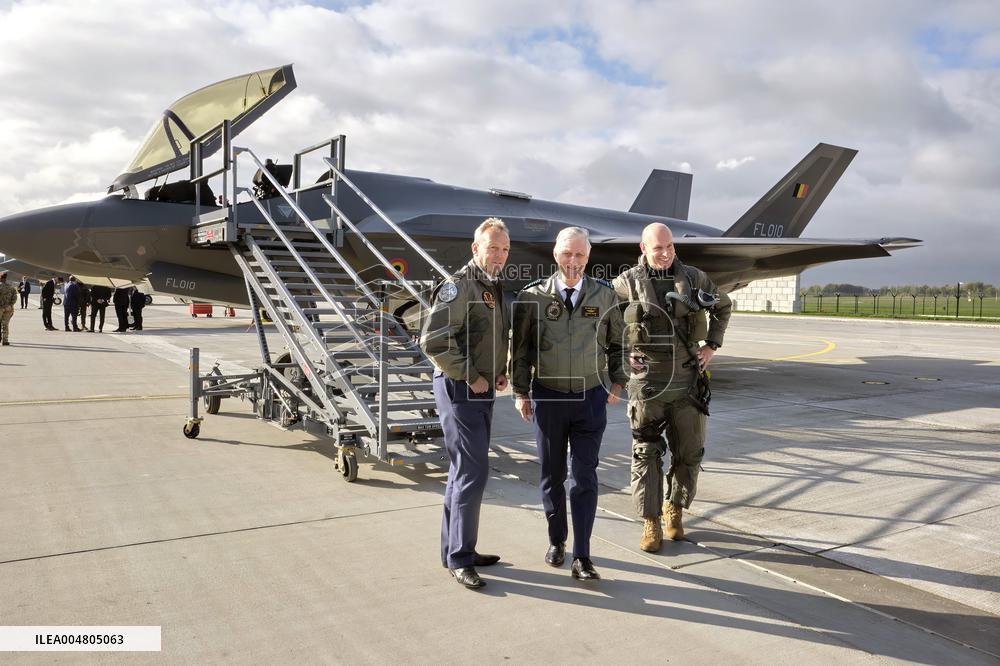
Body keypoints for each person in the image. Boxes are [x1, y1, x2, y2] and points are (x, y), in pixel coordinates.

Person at [511, 227, 627, 581]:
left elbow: (618, 342)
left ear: (588, 257)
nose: (573, 261)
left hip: (590, 397)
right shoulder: (533, 297)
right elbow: (521, 350)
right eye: (567, 254)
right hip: (547, 397)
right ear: (555, 254)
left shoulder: (605, 296)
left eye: (579, 254)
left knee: (585, 478)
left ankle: (583, 555)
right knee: (551, 475)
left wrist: (618, 381)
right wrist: (520, 392)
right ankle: (556, 540)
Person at [612, 223, 732, 552]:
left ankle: (674, 510)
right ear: (643, 248)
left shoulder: (694, 279)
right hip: (648, 383)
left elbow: (723, 305)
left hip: (688, 382)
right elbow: (607, 324)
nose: (665, 253)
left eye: (669, 246)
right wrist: (624, 356)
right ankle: (650, 522)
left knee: (689, 453)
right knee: (646, 454)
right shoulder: (626, 284)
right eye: (657, 248)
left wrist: (712, 345)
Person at [420, 217, 511, 590]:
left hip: (482, 389)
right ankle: (460, 557)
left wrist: (499, 371)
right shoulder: (459, 286)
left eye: (505, 249)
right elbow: (435, 341)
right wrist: (473, 376)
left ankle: (455, 550)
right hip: (462, 389)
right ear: (476, 248)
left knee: (464, 472)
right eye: (493, 247)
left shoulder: (491, 286)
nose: (500, 255)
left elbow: (488, 337)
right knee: (472, 472)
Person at [0, 271, 17, 345]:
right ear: (6, 278)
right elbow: (15, 297)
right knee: (5, 324)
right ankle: (5, 340)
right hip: (8, 308)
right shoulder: (11, 287)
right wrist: (10, 305)